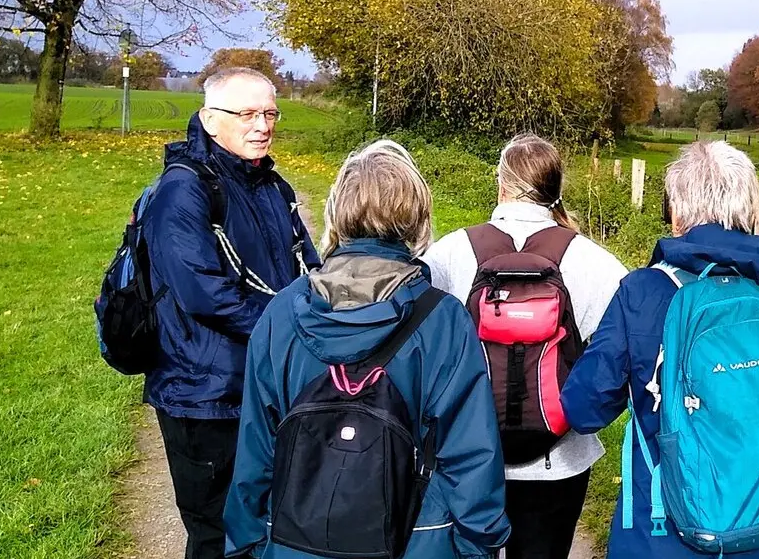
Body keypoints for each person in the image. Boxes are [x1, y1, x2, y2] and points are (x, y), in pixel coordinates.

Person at [561, 141, 759, 559]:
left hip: (659, 537)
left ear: (676, 212)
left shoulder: (642, 293)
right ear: (751, 211)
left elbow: (585, 409)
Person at [226, 139, 512, 558]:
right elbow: (470, 451)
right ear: (418, 218)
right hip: (418, 536)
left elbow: (256, 443)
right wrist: (479, 545)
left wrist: (245, 541)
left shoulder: (282, 311)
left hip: (295, 536)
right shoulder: (444, 320)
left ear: (336, 213)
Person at [422, 134, 628, 559]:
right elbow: (620, 355)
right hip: (560, 460)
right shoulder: (594, 262)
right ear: (556, 191)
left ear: (501, 184)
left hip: (466, 455)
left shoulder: (451, 253)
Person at [144, 67, 317, 559]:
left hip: (263, 386)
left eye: (269, 113)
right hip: (203, 393)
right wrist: (284, 331)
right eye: (246, 114)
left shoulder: (270, 185)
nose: (262, 125)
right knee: (215, 533)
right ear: (210, 119)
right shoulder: (185, 189)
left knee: (266, 519)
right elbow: (205, 294)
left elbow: (307, 267)